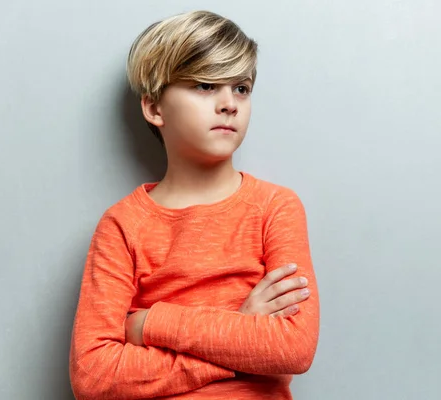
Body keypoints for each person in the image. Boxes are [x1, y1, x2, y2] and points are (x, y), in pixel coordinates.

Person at [69, 10, 320, 399]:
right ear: (154, 108)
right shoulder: (123, 224)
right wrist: (240, 332)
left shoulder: (275, 208)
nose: (229, 103)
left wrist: (152, 323)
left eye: (241, 87)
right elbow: (94, 375)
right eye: (205, 85)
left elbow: (293, 348)